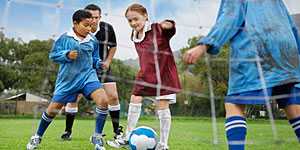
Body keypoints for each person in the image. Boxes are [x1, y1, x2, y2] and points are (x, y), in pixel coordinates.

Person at [183, 0, 300, 149]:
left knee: (234, 104)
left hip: (256, 49)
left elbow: (230, 18)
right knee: (292, 105)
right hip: (287, 53)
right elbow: (291, 26)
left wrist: (203, 45)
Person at [26, 9, 108, 150]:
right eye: (86, 25)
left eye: (91, 26)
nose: (89, 29)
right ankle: (37, 137)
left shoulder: (93, 40)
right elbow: (53, 55)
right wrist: (67, 55)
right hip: (68, 80)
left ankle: (97, 136)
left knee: (103, 101)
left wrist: (98, 63)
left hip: (88, 77)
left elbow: (94, 58)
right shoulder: (64, 38)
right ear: (75, 23)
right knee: (53, 110)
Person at [108, 3, 181, 150]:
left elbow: (170, 27)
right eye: (130, 20)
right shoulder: (134, 36)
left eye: (136, 19)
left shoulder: (157, 29)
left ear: (145, 16)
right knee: (134, 99)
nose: (133, 23)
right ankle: (127, 137)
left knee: (162, 108)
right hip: (145, 74)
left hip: (164, 74)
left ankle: (163, 144)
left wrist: (167, 25)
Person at [60, 4, 123, 142]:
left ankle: (117, 131)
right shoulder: (77, 30)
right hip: (81, 69)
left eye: (96, 17)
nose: (93, 20)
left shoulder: (107, 28)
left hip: (103, 68)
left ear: (100, 17)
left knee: (113, 96)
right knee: (73, 99)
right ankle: (67, 131)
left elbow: (113, 46)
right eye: (90, 17)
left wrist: (108, 61)